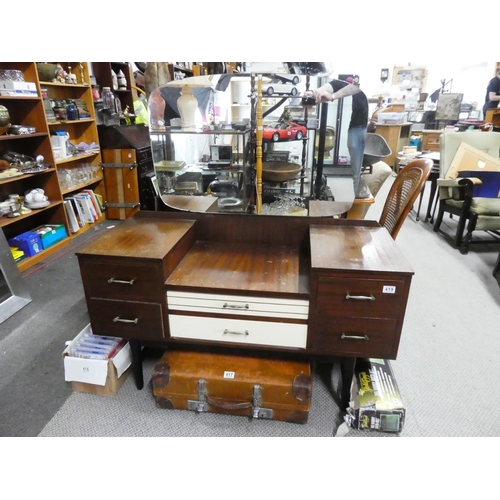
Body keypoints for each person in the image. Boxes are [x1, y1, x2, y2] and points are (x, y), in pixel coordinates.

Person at [310, 77, 368, 197]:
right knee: (356, 170)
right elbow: (334, 85)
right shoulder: (344, 81)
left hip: (362, 128)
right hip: (355, 128)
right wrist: (316, 92)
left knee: (359, 171)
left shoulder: (360, 84)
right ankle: (357, 199)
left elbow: (353, 88)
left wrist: (332, 96)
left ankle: (358, 202)